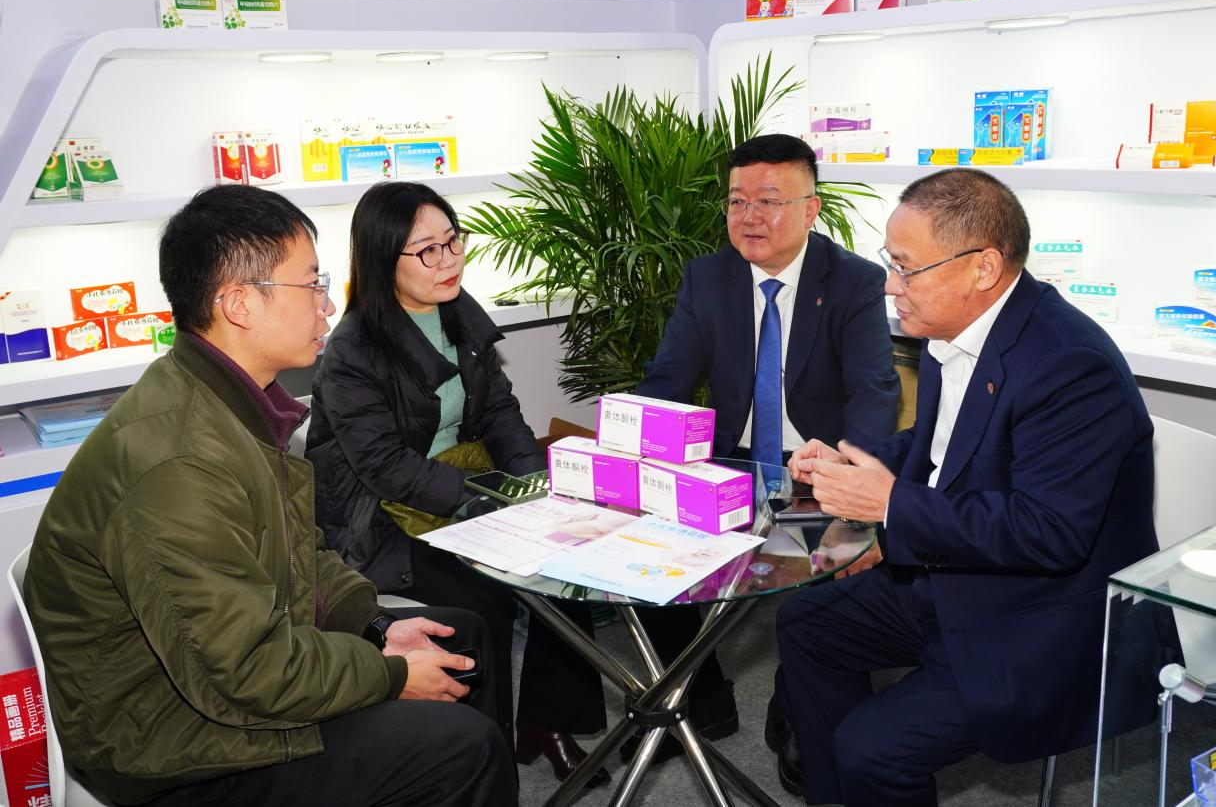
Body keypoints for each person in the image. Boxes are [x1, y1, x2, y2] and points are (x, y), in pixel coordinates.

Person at [23, 184, 515, 807]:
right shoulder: (180, 461)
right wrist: (388, 673)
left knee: (461, 638)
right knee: (464, 748)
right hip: (174, 742)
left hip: (233, 671)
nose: (327, 305)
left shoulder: (228, 400)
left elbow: (302, 553)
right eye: (310, 285)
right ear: (238, 305)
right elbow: (246, 672)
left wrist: (372, 626)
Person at [776, 168, 1169, 805]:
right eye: (890, 262)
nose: (890, 285)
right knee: (806, 622)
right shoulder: (957, 330)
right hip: (957, 578)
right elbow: (941, 449)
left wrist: (889, 503)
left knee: (871, 750)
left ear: (983, 267)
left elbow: (1048, 533)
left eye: (906, 268)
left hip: (1042, 618)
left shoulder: (1071, 367)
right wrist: (853, 462)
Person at [305, 181, 610, 786]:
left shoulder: (459, 311)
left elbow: (500, 412)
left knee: (568, 564)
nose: (448, 261)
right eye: (427, 250)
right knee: (482, 596)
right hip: (379, 517)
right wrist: (485, 505)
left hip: (458, 491)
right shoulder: (353, 350)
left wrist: (535, 487)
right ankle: (478, 753)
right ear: (382, 258)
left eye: (452, 241)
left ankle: (545, 722)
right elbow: (385, 465)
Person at [638, 132, 900, 762]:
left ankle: (798, 712)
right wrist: (635, 451)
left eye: (769, 201)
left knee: (823, 584)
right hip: (727, 463)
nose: (749, 216)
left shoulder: (854, 281)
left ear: (811, 209)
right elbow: (668, 381)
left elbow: (873, 392)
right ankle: (699, 696)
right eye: (737, 201)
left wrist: (851, 483)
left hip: (814, 467)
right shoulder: (708, 278)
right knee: (648, 557)